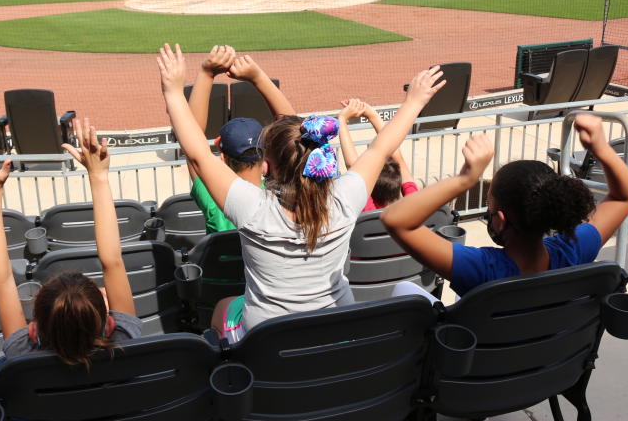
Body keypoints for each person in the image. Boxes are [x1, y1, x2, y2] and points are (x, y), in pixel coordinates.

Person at [156, 43, 445, 342]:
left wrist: (174, 91)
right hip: (337, 328)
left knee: (224, 308)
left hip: (266, 339)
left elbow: (198, 154)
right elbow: (379, 146)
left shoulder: (252, 208)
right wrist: (414, 102)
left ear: (266, 166)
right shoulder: (344, 198)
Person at [381, 114, 628, 299]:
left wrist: (465, 179)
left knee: (406, 292)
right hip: (554, 368)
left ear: (500, 220)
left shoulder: (480, 269)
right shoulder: (573, 251)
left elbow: (395, 219)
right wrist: (602, 149)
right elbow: (624, 197)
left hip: (484, 371)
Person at [0, 118, 141, 365]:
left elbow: (1, 279)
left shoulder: (22, 354)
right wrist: (99, 176)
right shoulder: (125, 341)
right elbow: (112, 261)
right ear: (110, 324)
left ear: (32, 331)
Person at [186, 45, 295, 233]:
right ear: (265, 160)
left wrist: (207, 73)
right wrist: (258, 77)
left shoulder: (214, 198)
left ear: (223, 158)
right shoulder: (280, 194)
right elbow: (293, 132)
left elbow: (191, 136)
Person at [337, 98, 420, 211]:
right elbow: (398, 159)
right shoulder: (413, 206)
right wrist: (373, 115)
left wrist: (342, 119)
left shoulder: (369, 210)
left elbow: (353, 167)